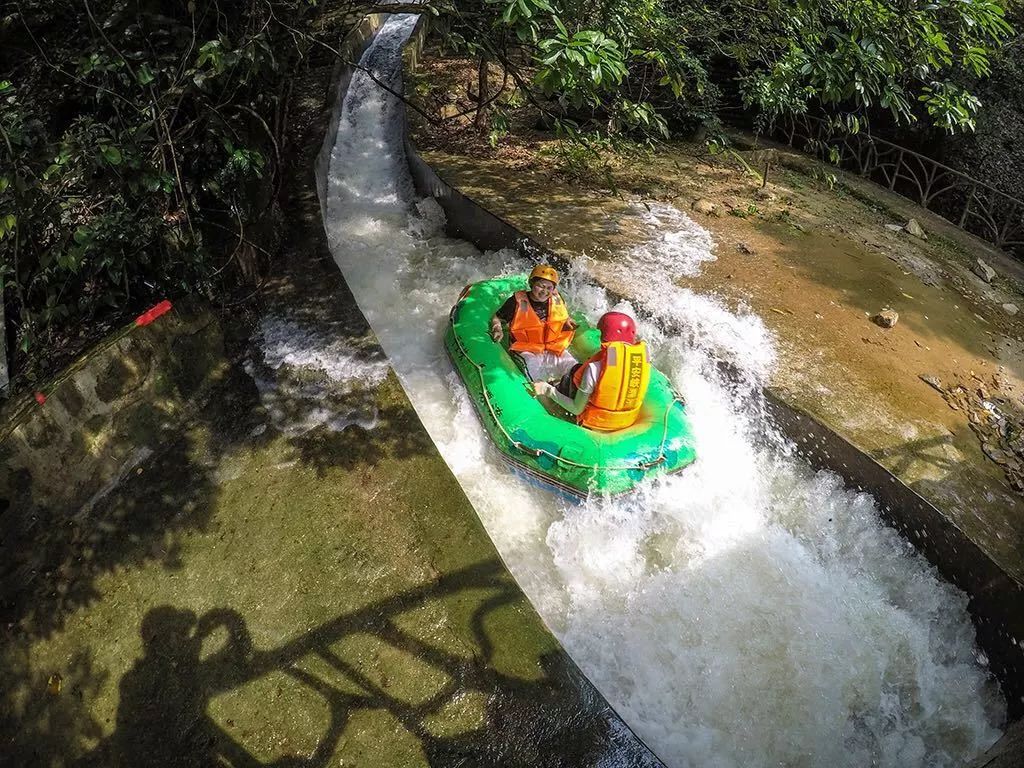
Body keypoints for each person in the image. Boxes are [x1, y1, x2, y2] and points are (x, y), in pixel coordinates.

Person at [533, 311, 651, 432]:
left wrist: (547, 390)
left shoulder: (594, 368)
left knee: (563, 378)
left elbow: (576, 409)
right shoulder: (644, 363)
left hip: (592, 425)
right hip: (624, 424)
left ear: (604, 336)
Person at [490, 264, 578, 381]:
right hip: (526, 349)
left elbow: (562, 318)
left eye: (549, 288)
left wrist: (567, 323)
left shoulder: (557, 299)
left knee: (573, 368)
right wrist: (497, 329)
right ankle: (540, 393)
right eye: (540, 286)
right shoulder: (516, 302)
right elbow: (497, 317)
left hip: (552, 347)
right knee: (533, 370)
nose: (544, 292)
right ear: (531, 284)